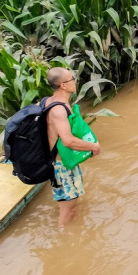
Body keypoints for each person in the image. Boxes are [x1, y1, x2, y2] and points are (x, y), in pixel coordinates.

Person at [45, 67, 102, 226]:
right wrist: (94, 147)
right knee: (69, 209)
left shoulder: (48, 101)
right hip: (61, 167)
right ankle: (65, 241)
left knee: (67, 204)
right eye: (72, 79)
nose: (75, 82)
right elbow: (68, 141)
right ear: (63, 85)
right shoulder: (58, 109)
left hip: (60, 162)